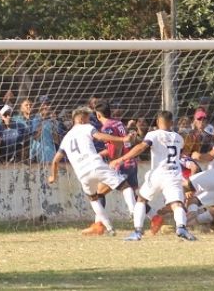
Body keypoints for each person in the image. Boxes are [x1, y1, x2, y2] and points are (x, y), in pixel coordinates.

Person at [48, 106, 136, 236]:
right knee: (125, 186)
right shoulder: (86, 127)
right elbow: (100, 137)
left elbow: (55, 161)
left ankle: (109, 228)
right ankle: (134, 211)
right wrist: (123, 139)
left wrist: (53, 177)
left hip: (82, 174)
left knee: (93, 198)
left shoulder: (66, 138)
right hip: (95, 165)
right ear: (81, 118)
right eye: (88, 118)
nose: (90, 121)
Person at [110, 110, 197, 241]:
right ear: (172, 123)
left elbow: (141, 147)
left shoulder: (153, 134)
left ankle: (137, 232)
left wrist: (120, 159)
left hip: (158, 174)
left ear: (157, 122)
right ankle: (181, 228)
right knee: (177, 204)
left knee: (141, 200)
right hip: (173, 175)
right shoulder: (179, 138)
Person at [81, 101, 138, 235]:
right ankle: (155, 219)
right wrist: (101, 154)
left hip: (120, 163)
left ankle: (99, 225)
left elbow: (116, 146)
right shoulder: (118, 123)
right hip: (131, 162)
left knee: (98, 193)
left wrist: (114, 161)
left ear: (98, 115)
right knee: (135, 196)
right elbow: (124, 142)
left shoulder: (107, 128)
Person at [29, 97, 64, 163]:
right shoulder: (35, 119)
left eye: (47, 104)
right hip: (39, 157)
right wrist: (43, 119)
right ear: (39, 106)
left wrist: (54, 123)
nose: (45, 107)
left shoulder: (56, 121)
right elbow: (36, 137)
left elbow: (58, 141)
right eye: (43, 104)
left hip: (53, 156)